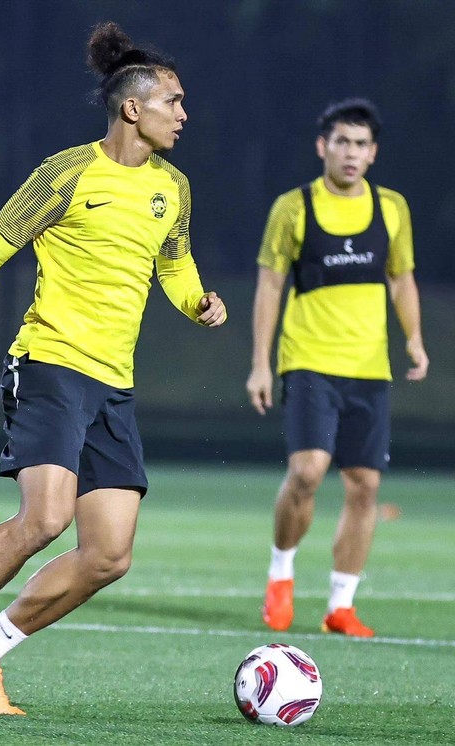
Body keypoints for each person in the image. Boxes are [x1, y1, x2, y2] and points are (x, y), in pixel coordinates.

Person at [0, 21, 226, 718]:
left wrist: (198, 302)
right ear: (132, 108)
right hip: (49, 364)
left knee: (108, 555)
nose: (184, 114)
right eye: (174, 100)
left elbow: (172, 264)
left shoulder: (174, 187)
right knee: (43, 519)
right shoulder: (65, 174)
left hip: (113, 385)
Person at [246, 98, 429, 638]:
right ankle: (281, 576)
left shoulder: (391, 207)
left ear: (373, 154)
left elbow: (401, 278)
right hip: (307, 359)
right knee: (307, 471)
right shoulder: (294, 207)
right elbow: (270, 284)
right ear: (323, 146)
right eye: (342, 142)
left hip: (369, 366)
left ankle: (340, 605)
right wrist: (260, 363)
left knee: (365, 484)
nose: (351, 153)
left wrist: (415, 339)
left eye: (361, 144)